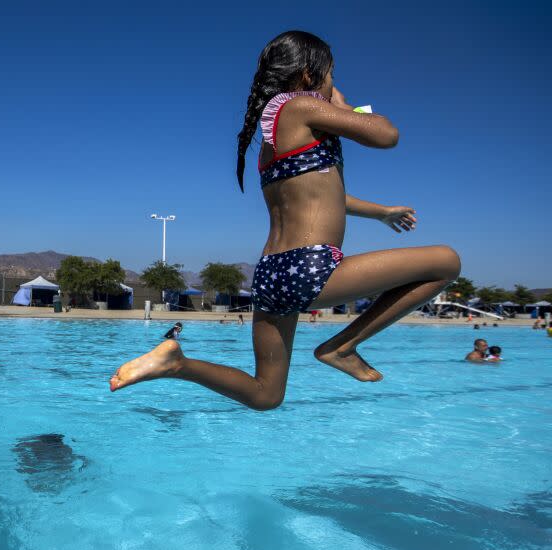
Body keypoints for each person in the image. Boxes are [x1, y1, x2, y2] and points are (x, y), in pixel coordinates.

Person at [110, 31, 460, 409]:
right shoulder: (301, 106)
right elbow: (387, 135)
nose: (334, 85)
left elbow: (322, 197)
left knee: (266, 395)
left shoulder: (274, 135)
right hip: (311, 265)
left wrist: (382, 213)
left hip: (271, 273)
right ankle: (343, 345)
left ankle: (178, 364)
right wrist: (347, 107)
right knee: (446, 263)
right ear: (310, 76)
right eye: (332, 76)